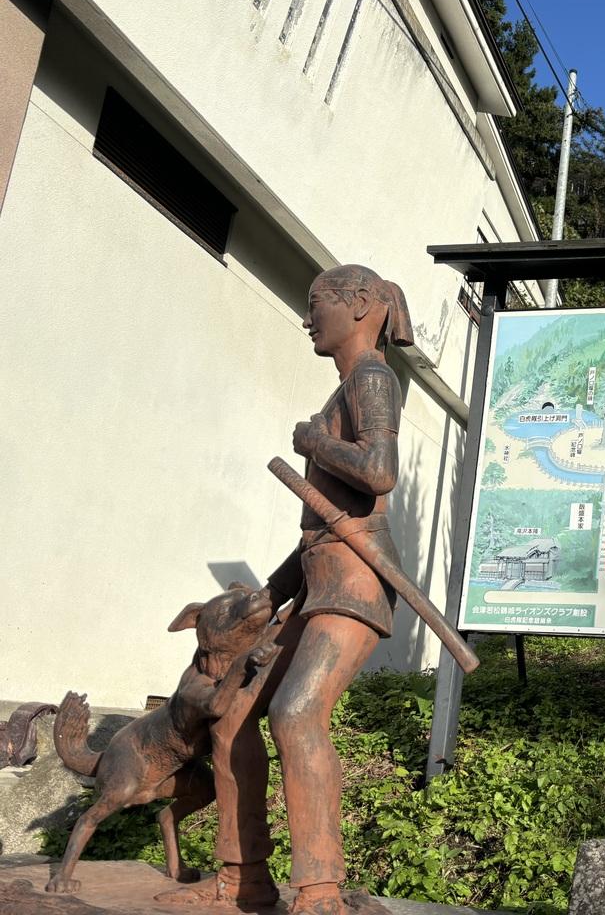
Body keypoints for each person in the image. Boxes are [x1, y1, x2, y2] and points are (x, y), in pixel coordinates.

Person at [159, 264, 412, 915]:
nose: (307, 319)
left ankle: (320, 890)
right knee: (234, 713)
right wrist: (272, 595)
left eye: (317, 303)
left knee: (296, 712)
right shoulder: (346, 388)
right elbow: (320, 528)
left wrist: (314, 442)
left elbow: (379, 473)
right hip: (318, 577)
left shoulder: (372, 379)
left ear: (360, 305)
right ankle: (243, 875)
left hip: (355, 583)